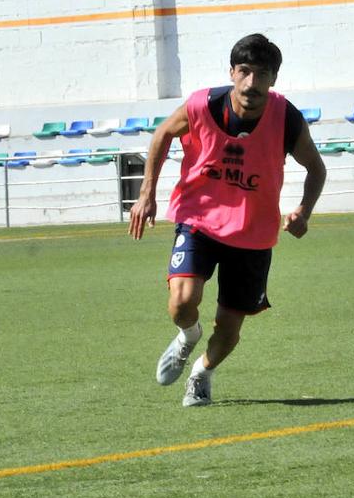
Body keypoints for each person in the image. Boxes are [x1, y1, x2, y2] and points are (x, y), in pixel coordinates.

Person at [129, 34, 326, 407]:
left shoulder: (286, 117)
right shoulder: (202, 105)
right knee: (182, 302)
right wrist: (146, 194)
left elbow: (315, 168)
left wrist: (305, 209)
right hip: (199, 219)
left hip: (253, 233)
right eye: (245, 72)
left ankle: (201, 373)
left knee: (230, 329)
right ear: (232, 72)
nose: (252, 83)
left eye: (262, 74)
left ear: (274, 79)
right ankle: (187, 336)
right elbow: (162, 135)